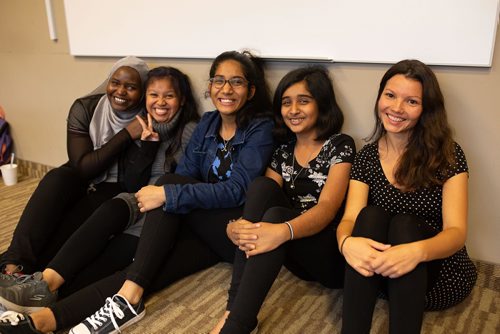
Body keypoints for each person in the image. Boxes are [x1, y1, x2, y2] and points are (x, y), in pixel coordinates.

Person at [0, 50, 275, 334]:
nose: (226, 89)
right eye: (219, 80)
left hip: (229, 229)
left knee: (167, 189)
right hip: (195, 222)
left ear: (251, 90)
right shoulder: (209, 123)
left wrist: (169, 195)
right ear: (210, 86)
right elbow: (186, 176)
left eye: (236, 82)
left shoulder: (260, 128)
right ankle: (43, 321)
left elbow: (237, 190)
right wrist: (166, 190)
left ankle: (121, 298)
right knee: (143, 272)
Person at [0, 66, 200, 334]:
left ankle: (49, 306)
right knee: (109, 209)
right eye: (154, 94)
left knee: (107, 256)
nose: (160, 102)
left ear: (182, 99)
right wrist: (148, 146)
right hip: (135, 201)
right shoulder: (142, 125)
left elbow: (187, 181)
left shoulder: (190, 131)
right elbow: (131, 184)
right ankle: (41, 285)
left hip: (163, 211)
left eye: (169, 96)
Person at [211, 66, 356, 334]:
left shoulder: (340, 145)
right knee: (262, 186)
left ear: (321, 104)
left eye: (303, 101)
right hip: (292, 252)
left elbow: (327, 209)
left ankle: (237, 324)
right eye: (286, 102)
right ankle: (235, 310)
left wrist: (282, 230)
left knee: (276, 217)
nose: (293, 110)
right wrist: (237, 225)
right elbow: (261, 199)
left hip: (330, 257)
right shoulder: (282, 152)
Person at [337, 59, 477, 334]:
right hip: (386, 274)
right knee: (370, 216)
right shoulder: (367, 156)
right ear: (380, 97)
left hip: (437, 273)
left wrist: (416, 252)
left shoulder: (448, 154)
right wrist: (346, 243)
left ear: (427, 109)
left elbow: (457, 232)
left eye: (411, 101)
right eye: (390, 95)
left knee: (404, 224)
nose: (396, 108)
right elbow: (350, 217)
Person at [0, 56, 149, 278]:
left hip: (115, 185)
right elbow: (82, 167)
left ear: (143, 91)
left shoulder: (148, 118)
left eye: (131, 87)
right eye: (115, 82)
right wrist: (126, 134)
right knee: (56, 179)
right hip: (81, 172)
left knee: (70, 228)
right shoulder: (86, 107)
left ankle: (28, 277)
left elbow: (133, 179)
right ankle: (13, 264)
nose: (120, 91)